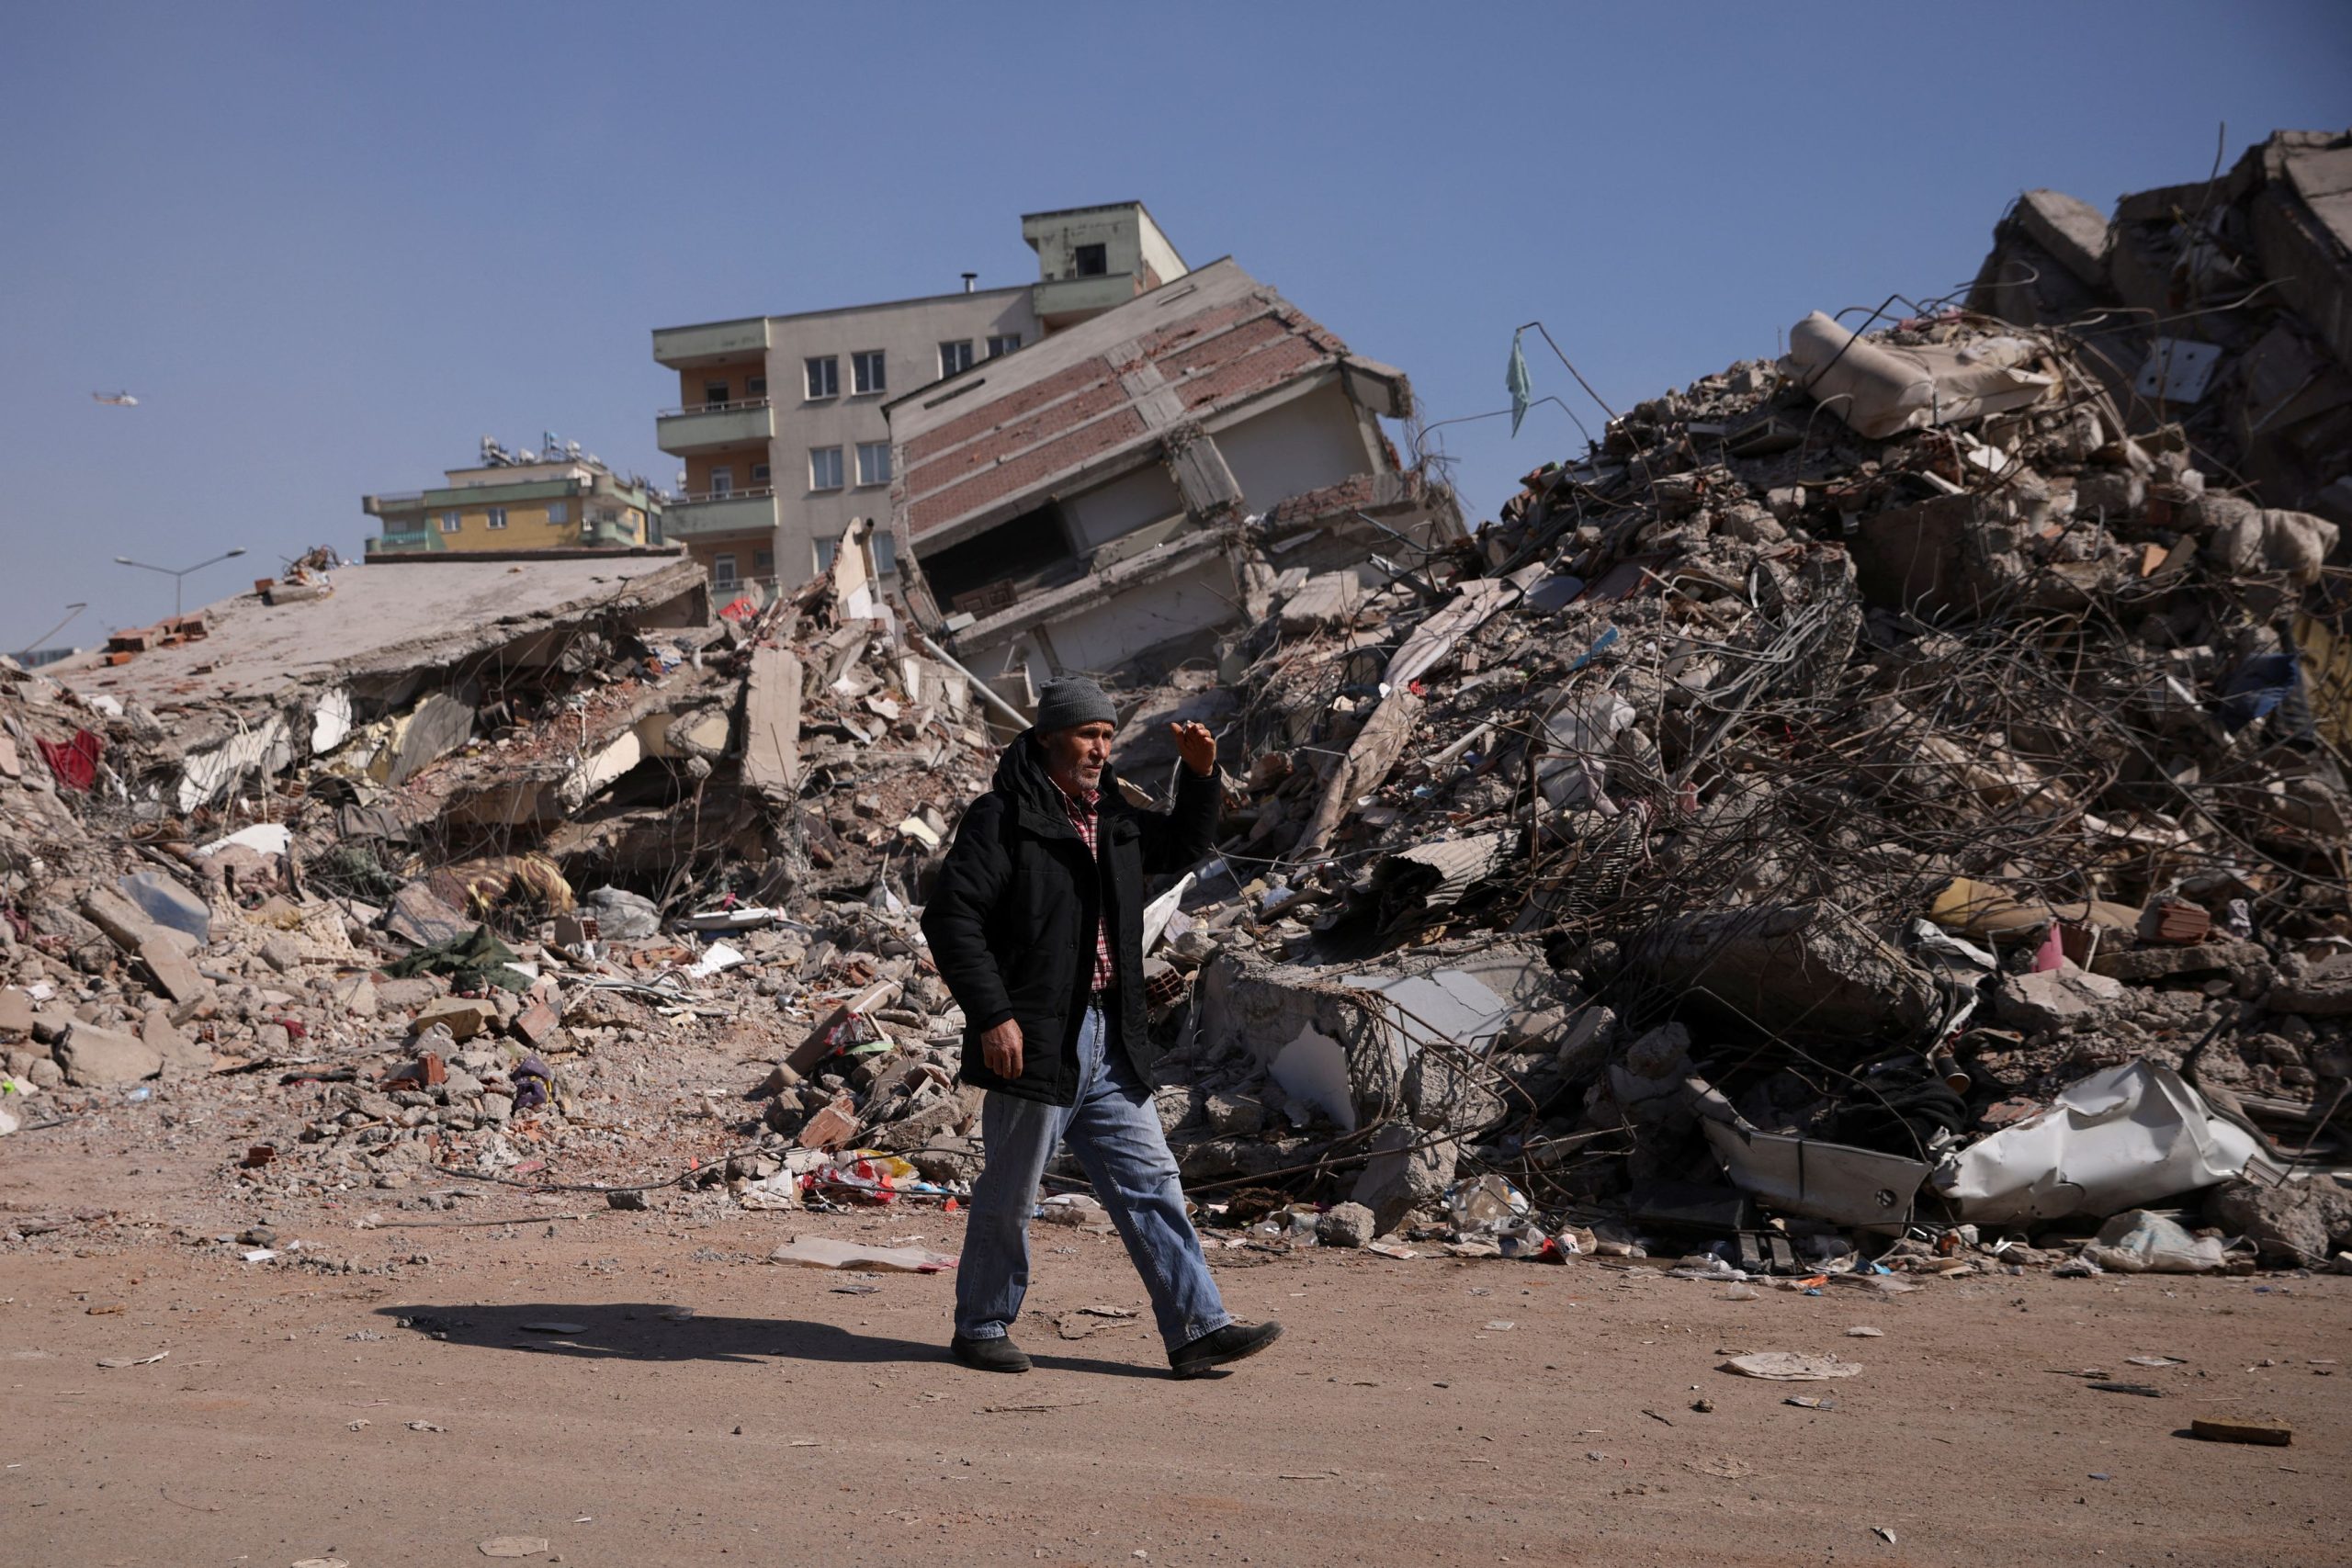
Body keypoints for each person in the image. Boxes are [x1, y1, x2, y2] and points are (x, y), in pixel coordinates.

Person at [922, 675, 1282, 1379]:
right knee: (1012, 1191)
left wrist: (1200, 777)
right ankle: (982, 1324)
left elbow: (1179, 844)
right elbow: (952, 919)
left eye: (1108, 736)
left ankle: (1197, 1327)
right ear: (1049, 738)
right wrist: (993, 1015)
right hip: (1037, 1039)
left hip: (1111, 1037)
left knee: (1152, 1181)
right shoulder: (1004, 818)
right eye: (1088, 734)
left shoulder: (1111, 816)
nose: (1100, 748)